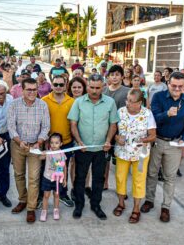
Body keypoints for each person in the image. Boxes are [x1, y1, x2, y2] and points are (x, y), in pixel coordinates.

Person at [141, 72, 184, 223]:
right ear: (168, 83)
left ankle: (166, 207)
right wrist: (167, 114)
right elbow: (153, 119)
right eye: (174, 86)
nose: (177, 89)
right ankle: (149, 200)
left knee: (170, 177)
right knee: (151, 173)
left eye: (180, 86)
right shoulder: (158, 97)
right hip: (157, 141)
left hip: (175, 144)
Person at [68, 74, 118, 220]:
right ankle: (79, 204)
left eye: (98, 88)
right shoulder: (78, 102)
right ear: (87, 86)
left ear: (103, 87)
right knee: (80, 178)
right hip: (83, 148)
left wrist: (108, 140)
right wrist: (79, 142)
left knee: (98, 178)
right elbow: (73, 124)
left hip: (102, 149)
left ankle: (96, 205)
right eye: (91, 87)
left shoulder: (110, 102)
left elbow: (113, 124)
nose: (94, 91)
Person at [8, 77, 50, 223]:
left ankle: (31, 208)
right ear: (22, 90)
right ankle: (22, 200)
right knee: (19, 175)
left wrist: (39, 142)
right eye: (29, 89)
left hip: (35, 147)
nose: (32, 92)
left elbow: (46, 127)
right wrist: (19, 141)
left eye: (34, 89)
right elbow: (11, 127)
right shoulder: (14, 105)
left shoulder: (42, 105)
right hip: (18, 145)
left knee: (33, 178)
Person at [113, 89, 157, 224]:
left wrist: (142, 140)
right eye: (127, 99)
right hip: (122, 152)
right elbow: (113, 130)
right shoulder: (120, 112)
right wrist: (116, 137)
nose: (128, 103)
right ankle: (121, 203)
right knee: (120, 178)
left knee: (139, 181)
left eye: (132, 101)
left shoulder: (147, 114)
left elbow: (153, 135)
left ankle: (136, 209)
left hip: (140, 154)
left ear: (139, 103)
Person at [42, 75, 75, 207]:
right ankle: (42, 196)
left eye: (61, 84)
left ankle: (62, 194)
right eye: (56, 84)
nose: (58, 87)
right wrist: (45, 143)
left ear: (66, 85)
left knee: (62, 170)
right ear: (52, 85)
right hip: (49, 144)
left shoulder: (72, 101)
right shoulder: (44, 100)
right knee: (45, 170)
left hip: (65, 143)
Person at [103, 65, 131, 190]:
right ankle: (105, 183)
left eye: (117, 74)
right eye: (112, 75)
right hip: (106, 130)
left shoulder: (127, 91)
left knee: (121, 161)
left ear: (122, 76)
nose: (114, 77)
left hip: (122, 131)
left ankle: (121, 188)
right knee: (105, 159)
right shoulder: (103, 91)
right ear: (108, 76)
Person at [39, 133, 67, 222]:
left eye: (56, 143)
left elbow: (64, 167)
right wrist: (43, 153)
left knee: (57, 195)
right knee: (46, 195)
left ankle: (56, 210)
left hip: (58, 179)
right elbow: (40, 158)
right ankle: (44, 211)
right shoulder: (48, 152)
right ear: (49, 143)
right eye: (52, 142)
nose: (54, 145)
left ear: (61, 144)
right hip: (47, 178)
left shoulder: (62, 154)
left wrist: (65, 178)